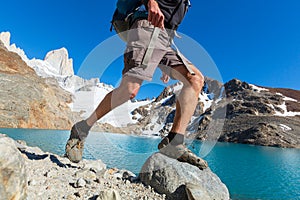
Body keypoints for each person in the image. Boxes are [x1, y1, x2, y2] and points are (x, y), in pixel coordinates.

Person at [65, 0, 208, 170]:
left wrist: (164, 64)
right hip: (147, 26)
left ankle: (174, 142)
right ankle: (82, 129)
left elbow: (169, 20)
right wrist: (151, 2)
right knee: (130, 90)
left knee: (195, 79)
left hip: (165, 40)